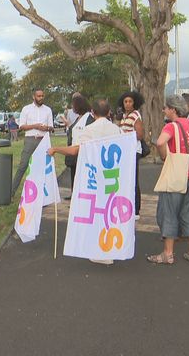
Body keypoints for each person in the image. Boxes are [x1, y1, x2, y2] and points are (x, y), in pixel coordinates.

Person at [49, 99, 121, 265]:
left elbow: (75, 150)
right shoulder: (116, 130)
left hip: (94, 176)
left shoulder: (89, 130)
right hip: (112, 175)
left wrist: (56, 149)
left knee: (97, 212)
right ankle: (110, 248)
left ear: (93, 113)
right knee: (109, 211)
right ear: (109, 112)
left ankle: (100, 251)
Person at [147, 95, 189, 265]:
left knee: (169, 213)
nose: (164, 110)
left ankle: (168, 253)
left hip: (175, 176)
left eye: (165, 107)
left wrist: (166, 156)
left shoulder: (172, 126)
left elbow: (160, 142)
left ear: (173, 109)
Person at [11, 89, 54, 199]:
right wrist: (35, 126)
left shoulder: (48, 110)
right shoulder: (26, 109)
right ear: (33, 97)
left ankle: (42, 195)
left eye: (42, 96)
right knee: (23, 166)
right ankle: (11, 193)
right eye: (38, 96)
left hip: (43, 141)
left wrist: (46, 128)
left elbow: (51, 127)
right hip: (30, 140)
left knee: (43, 168)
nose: (41, 98)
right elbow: (22, 126)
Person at [117, 91, 146, 220]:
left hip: (133, 150)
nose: (128, 104)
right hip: (125, 150)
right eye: (125, 101)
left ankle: (136, 210)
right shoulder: (124, 116)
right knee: (126, 179)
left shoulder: (135, 116)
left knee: (133, 179)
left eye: (130, 101)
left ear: (134, 102)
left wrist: (127, 137)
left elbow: (140, 135)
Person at [63, 95, 94, 200]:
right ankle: (74, 193)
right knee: (74, 174)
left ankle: (80, 195)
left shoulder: (89, 118)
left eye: (73, 105)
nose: (72, 108)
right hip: (73, 151)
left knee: (80, 175)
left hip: (81, 151)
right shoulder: (78, 118)